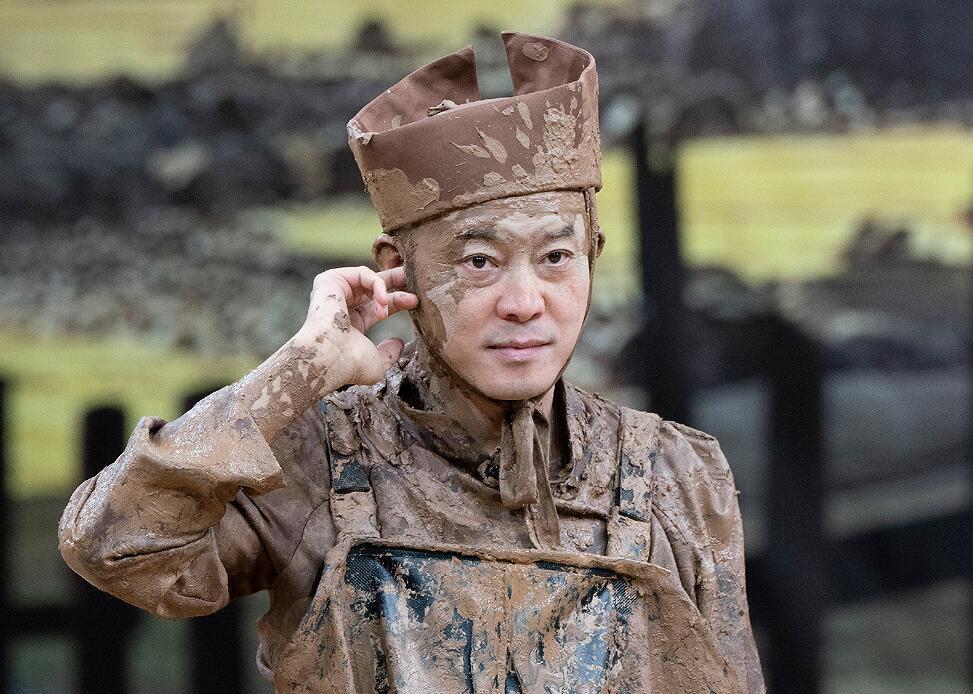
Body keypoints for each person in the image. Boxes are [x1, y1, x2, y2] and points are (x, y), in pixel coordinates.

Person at [59, 32, 765, 693]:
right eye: (479, 262)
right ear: (400, 269)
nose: (525, 303)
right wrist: (296, 372)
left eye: (555, 257)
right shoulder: (315, 466)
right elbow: (112, 547)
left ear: (592, 257)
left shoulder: (677, 476)